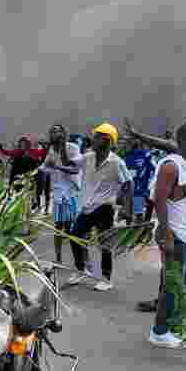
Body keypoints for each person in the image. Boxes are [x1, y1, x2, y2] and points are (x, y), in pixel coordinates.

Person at [148, 121, 186, 349]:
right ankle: (159, 331)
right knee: (172, 285)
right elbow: (159, 199)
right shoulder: (171, 166)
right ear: (181, 142)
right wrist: (167, 234)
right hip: (176, 236)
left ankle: (177, 328)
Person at [59, 123, 134, 292]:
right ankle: (81, 270)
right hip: (87, 207)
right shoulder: (88, 157)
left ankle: (106, 278)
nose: (93, 139)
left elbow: (129, 184)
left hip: (104, 207)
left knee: (104, 243)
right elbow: (70, 165)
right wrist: (63, 146)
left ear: (107, 140)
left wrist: (127, 209)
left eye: (97, 136)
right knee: (75, 236)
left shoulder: (116, 163)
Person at [41, 124, 82, 265]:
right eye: (53, 132)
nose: (56, 134)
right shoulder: (52, 150)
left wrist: (56, 166)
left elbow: (74, 168)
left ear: (64, 133)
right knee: (58, 226)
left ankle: (79, 260)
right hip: (58, 192)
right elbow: (45, 167)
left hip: (72, 191)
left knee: (72, 228)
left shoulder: (73, 148)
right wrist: (34, 175)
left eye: (58, 131)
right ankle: (58, 258)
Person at [124, 138, 156, 223]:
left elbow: (153, 169)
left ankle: (141, 229)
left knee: (136, 214)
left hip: (136, 189)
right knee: (137, 213)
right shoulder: (144, 155)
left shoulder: (129, 156)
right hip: (140, 188)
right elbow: (154, 169)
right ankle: (144, 225)